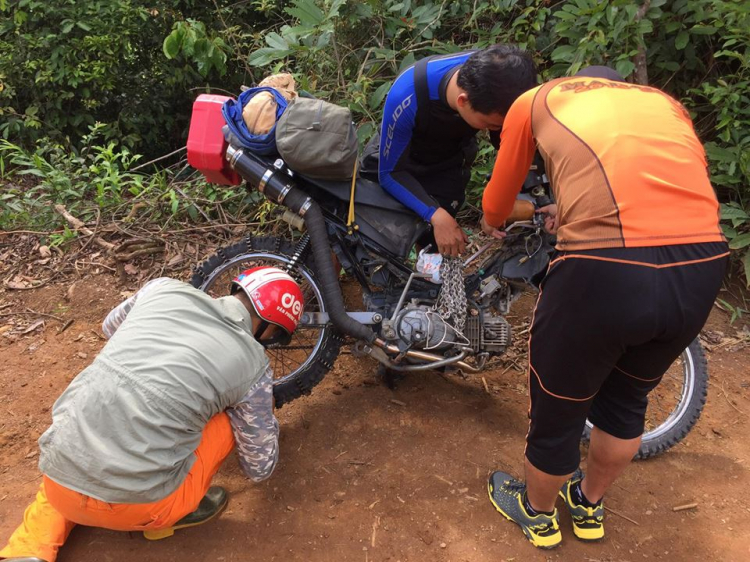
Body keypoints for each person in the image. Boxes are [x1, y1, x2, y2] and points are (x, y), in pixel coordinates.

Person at [481, 66, 728, 549]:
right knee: (628, 400)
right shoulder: (663, 102)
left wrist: (522, 212)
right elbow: (653, 192)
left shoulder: (535, 100)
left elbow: (494, 207)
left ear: (577, 83)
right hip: (702, 263)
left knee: (559, 402)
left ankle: (539, 515)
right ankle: (589, 506)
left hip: (604, 268)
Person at [0, 267, 304, 562]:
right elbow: (259, 468)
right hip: (143, 508)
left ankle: (28, 547)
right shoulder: (254, 366)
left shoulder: (162, 288)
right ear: (272, 330)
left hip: (57, 486)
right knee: (227, 420)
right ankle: (172, 513)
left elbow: (110, 327)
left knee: (87, 429)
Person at [374, 44, 536, 257]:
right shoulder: (407, 95)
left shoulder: (504, 76)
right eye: (494, 126)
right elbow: (389, 173)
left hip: (451, 157)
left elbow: (516, 150)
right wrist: (436, 216)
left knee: (438, 241)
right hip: (405, 161)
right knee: (416, 230)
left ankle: (432, 269)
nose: (497, 130)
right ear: (463, 102)